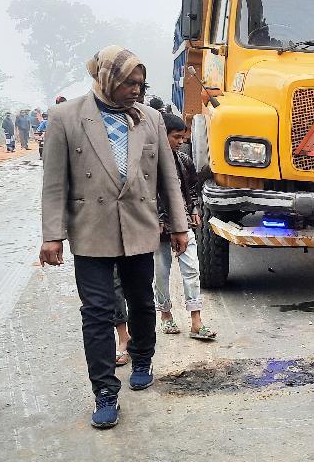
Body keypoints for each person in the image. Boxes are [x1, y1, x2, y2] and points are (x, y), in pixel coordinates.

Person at [39, 45, 189, 429]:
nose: (136, 90)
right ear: (106, 79)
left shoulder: (151, 119)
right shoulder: (65, 117)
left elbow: (168, 178)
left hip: (140, 227)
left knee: (141, 300)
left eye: (140, 83)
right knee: (97, 313)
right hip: (90, 231)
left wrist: (179, 225)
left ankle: (142, 358)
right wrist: (52, 235)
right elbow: (54, 183)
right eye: (128, 83)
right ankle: (104, 391)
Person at [155, 113, 216, 340]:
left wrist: (194, 211)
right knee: (161, 274)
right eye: (176, 137)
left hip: (184, 225)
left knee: (191, 270)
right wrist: (162, 222)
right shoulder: (148, 164)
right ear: (163, 135)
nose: (181, 142)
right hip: (158, 229)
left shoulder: (184, 161)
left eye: (183, 137)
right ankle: (166, 316)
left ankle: (196, 322)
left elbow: (191, 190)